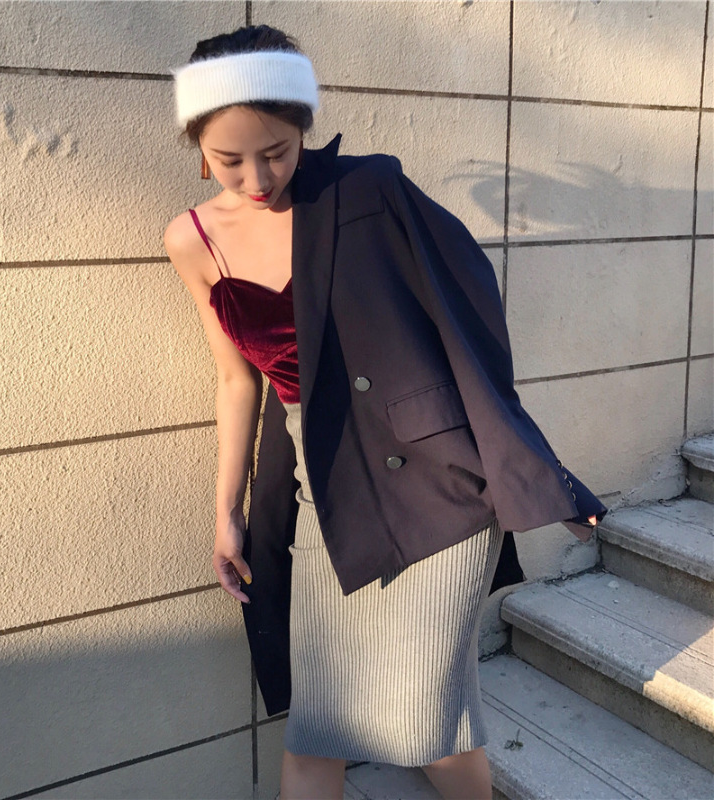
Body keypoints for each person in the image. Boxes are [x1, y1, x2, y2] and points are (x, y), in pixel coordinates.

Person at [164, 25, 606, 800]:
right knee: (320, 726)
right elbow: (237, 383)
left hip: (439, 488)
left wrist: (539, 474)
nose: (258, 176)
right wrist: (226, 512)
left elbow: (468, 328)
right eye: (230, 159)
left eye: (277, 151)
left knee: (429, 717)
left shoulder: (366, 192)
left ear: (304, 127)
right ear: (197, 143)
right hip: (325, 496)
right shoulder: (191, 241)